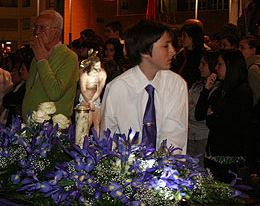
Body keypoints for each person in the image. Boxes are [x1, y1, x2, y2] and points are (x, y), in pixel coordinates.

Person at [101, 19, 188, 152]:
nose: (173, 51)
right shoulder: (118, 88)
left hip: (166, 169)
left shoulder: (176, 85)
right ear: (145, 51)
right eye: (166, 46)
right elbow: (107, 138)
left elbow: (175, 137)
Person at [195, 50, 253, 183]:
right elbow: (199, 114)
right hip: (213, 153)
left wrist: (212, 117)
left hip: (230, 156)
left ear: (231, 66)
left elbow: (226, 124)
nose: (216, 68)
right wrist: (206, 90)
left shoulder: (242, 93)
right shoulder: (220, 91)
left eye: (220, 64)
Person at [22, 10, 79, 120]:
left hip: (52, 130)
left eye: (42, 28)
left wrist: (42, 61)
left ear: (57, 32)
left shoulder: (69, 57)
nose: (37, 32)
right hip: (31, 126)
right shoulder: (37, 57)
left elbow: (55, 93)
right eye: (36, 27)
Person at [186, 51, 220, 166]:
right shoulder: (197, 85)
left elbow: (201, 115)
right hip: (190, 134)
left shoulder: (217, 89)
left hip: (204, 136)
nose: (199, 67)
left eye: (203, 64)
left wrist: (198, 110)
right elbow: (187, 107)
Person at [79, 50, 107, 130]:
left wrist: (92, 101)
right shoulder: (84, 75)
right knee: (87, 122)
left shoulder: (102, 74)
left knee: (97, 122)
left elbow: (99, 89)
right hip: (85, 97)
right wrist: (89, 101)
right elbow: (83, 90)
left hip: (95, 97)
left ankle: (98, 141)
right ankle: (83, 140)